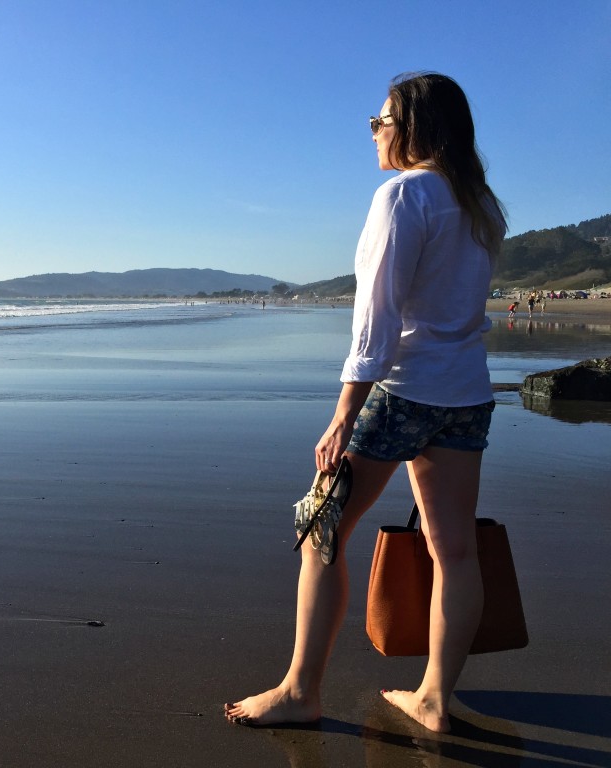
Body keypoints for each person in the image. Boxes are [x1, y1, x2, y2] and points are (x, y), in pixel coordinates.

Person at [225, 72, 506, 734]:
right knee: (454, 551)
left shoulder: (405, 194)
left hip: (401, 390)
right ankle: (435, 699)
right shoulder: (481, 204)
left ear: (412, 127)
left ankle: (301, 691)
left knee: (320, 530)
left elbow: (376, 317)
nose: (375, 132)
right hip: (466, 393)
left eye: (381, 121)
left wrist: (344, 411)